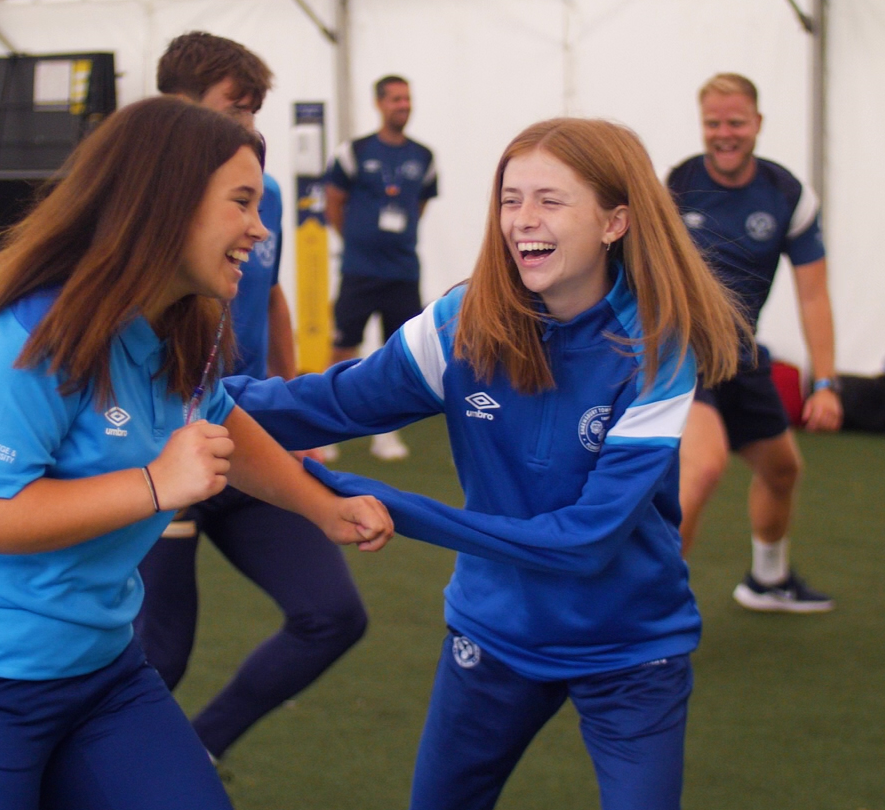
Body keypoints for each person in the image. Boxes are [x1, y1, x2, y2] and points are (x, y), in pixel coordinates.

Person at [0, 95, 393, 810]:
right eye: (241, 202)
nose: (260, 229)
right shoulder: (32, 330)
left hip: (98, 673)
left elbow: (221, 419)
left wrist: (321, 508)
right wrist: (156, 483)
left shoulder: (180, 321)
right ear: (166, 202)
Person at [227, 117, 747, 810]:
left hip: (631, 649)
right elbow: (325, 405)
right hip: (494, 634)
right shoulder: (461, 321)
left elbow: (584, 541)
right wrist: (183, 395)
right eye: (510, 199)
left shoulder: (658, 346)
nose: (523, 220)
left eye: (550, 200)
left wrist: (385, 502)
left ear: (614, 222)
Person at [134, 31, 370, 762]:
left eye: (254, 111)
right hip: (160, 453)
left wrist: (294, 405)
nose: (249, 127)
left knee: (333, 615)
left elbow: (268, 297)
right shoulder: (135, 205)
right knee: (160, 655)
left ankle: (200, 749)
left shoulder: (263, 193)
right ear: (175, 106)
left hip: (243, 435)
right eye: (234, 108)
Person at [667, 72, 840, 612]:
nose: (724, 134)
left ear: (758, 123)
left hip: (740, 356)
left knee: (782, 469)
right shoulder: (676, 184)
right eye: (713, 123)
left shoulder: (787, 194)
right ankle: (643, 613)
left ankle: (767, 581)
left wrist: (826, 383)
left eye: (736, 122)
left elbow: (814, 295)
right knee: (703, 467)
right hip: (680, 354)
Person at [324, 74, 438, 460]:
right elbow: (334, 203)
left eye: (407, 98)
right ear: (379, 104)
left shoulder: (424, 156)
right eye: (395, 99)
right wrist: (357, 240)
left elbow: (419, 206)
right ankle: (325, 430)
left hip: (403, 272)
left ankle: (386, 433)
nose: (403, 105)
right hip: (359, 270)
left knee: (400, 353)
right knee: (343, 346)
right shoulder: (353, 152)